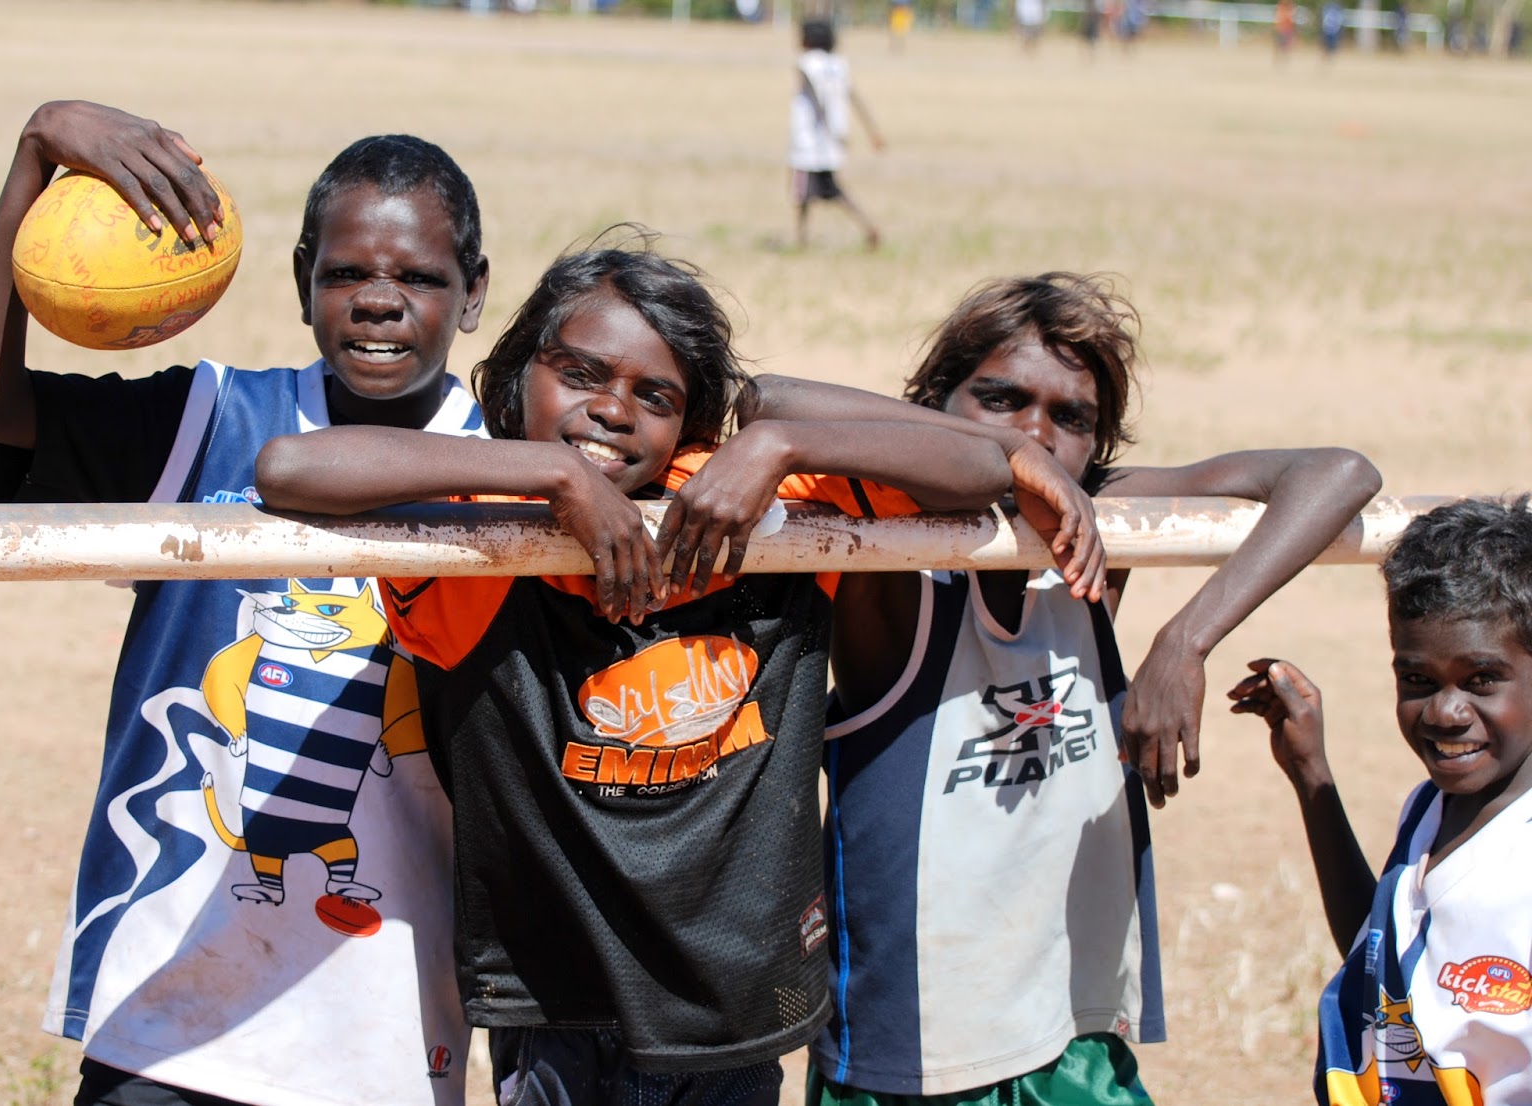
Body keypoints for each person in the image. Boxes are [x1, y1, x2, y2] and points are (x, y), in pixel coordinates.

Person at [251, 240, 1104, 1105]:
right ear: (516, 383)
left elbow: (976, 472)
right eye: (581, 372)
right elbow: (290, 469)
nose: (612, 410)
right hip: (559, 999)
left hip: (742, 993)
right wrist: (552, 474)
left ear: (689, 425)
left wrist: (774, 436)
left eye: (653, 396)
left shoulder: (760, 517)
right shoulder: (481, 543)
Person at [0, 101, 492, 1106]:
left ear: (473, 294)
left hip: (384, 1009)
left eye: (418, 277)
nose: (378, 301)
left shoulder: (506, 468)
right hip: (175, 997)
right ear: (298, 283)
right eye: (344, 273)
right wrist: (35, 154)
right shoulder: (210, 420)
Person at [744, 273, 1381, 1104]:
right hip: (917, 1055)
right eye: (1001, 400)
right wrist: (1008, 459)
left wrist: (1184, 641)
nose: (1038, 434)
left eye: (1069, 420)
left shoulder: (1099, 534)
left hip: (1073, 1034)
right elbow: (766, 401)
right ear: (937, 402)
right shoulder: (895, 560)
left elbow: (1339, 472)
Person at [1230, 496, 1532, 1105]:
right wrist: (1310, 774)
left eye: (1482, 680)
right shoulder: (1430, 808)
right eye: (1417, 680)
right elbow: (1380, 960)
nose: (1446, 712)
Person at [789, 18, 885, 252]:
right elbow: (853, 96)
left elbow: (817, 98)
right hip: (830, 143)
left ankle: (802, 241)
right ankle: (867, 226)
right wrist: (871, 130)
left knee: (802, 193)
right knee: (831, 190)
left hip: (808, 142)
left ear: (808, 39)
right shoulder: (838, 65)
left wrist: (828, 127)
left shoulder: (807, 63)